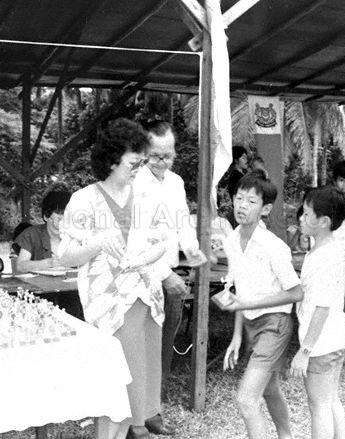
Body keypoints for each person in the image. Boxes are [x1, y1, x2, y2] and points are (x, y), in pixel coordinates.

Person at [58, 118, 170, 439]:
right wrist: (96, 243)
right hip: (109, 306)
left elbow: (161, 242)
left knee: (137, 385)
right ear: (111, 161)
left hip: (145, 299)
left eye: (141, 162)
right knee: (116, 388)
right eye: (133, 163)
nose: (139, 169)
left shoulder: (147, 196)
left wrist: (142, 259)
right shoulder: (83, 200)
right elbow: (66, 254)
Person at [221, 170, 303, 439]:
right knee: (269, 390)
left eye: (251, 201)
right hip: (250, 324)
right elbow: (238, 295)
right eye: (239, 197)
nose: (242, 205)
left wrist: (251, 302)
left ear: (265, 208)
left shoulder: (274, 246)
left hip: (275, 324)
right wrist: (235, 337)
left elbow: (296, 292)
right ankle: (286, 436)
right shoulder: (232, 239)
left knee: (246, 400)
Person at [134, 121, 202, 427]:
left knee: (165, 343)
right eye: (156, 156)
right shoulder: (133, 182)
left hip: (171, 272)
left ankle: (154, 408)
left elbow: (182, 223)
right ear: (143, 152)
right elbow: (135, 239)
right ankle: (140, 415)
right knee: (142, 346)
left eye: (169, 155)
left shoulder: (175, 182)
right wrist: (164, 275)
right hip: (142, 275)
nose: (163, 162)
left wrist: (194, 250)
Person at [289, 186, 345, 439]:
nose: (301, 218)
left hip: (322, 343)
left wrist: (305, 351)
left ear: (324, 221)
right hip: (337, 336)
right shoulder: (325, 249)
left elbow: (322, 307)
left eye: (306, 214)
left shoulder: (323, 256)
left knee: (319, 407)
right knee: (330, 400)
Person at [14, 190, 84, 320]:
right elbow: (21, 265)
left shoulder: (77, 236)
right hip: (39, 298)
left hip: (73, 296)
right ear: (46, 216)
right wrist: (48, 263)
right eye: (59, 218)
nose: (63, 223)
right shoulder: (32, 234)